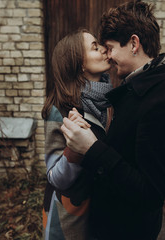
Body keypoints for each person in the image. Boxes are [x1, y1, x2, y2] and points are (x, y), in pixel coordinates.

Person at [61, 1, 165, 240]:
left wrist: (92, 148)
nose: (108, 56)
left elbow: (150, 194)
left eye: (110, 48)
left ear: (133, 43)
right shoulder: (133, 89)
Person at [41, 29, 113, 240]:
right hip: (70, 216)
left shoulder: (108, 101)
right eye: (94, 47)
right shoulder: (60, 110)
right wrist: (75, 148)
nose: (103, 49)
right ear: (79, 63)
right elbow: (56, 177)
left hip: (101, 209)